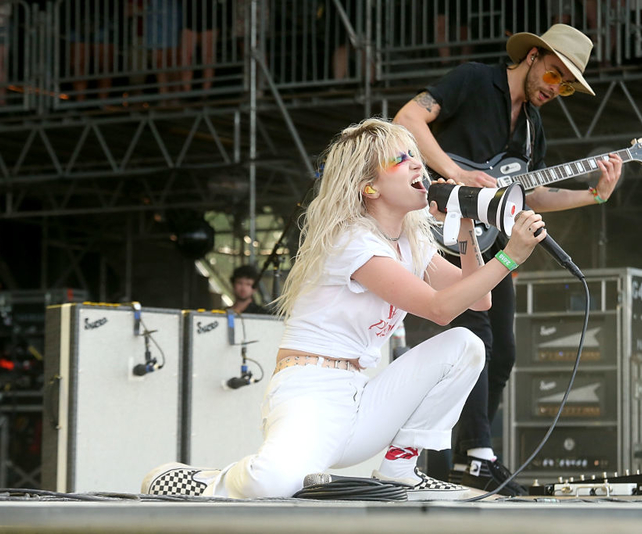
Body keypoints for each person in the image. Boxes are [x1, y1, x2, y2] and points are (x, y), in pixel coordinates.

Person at [141, 118, 547, 500]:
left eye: (414, 155)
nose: (416, 165)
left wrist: (464, 229)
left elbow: (477, 299)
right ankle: (206, 482)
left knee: (466, 344)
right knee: (275, 482)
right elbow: (439, 308)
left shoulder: (412, 243)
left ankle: (401, 469)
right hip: (309, 390)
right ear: (369, 187)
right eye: (400, 158)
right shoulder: (353, 240)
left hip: (359, 395)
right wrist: (509, 256)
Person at [393, 24, 623, 496]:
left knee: (504, 351)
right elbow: (406, 121)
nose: (554, 88)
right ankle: (475, 457)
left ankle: (468, 453)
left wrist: (594, 196)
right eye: (554, 74)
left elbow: (529, 193)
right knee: (471, 334)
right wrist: (458, 174)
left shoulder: (534, 128)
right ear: (533, 55)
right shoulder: (476, 79)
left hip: (493, 241)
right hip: (439, 230)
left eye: (565, 86)